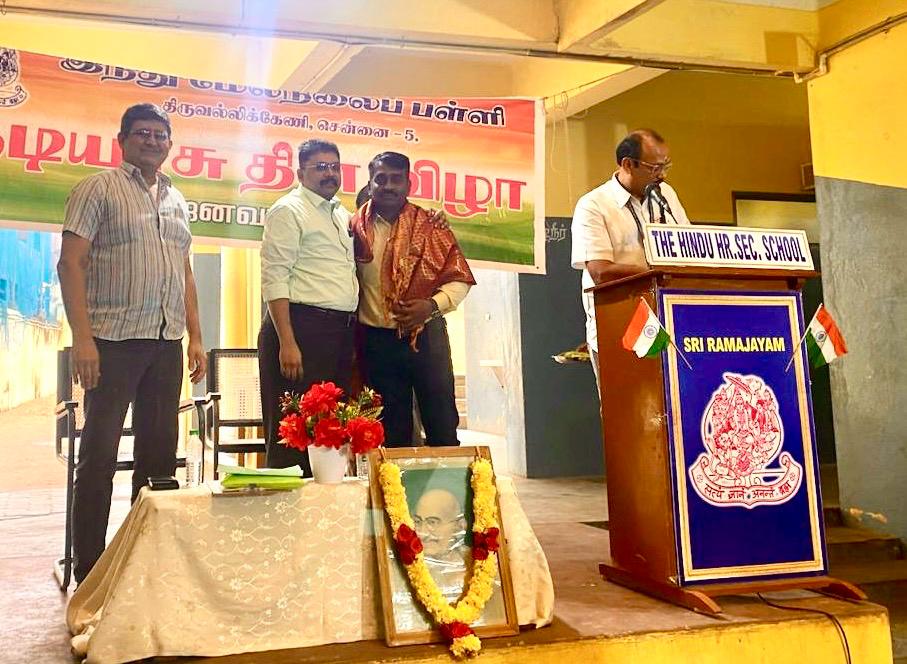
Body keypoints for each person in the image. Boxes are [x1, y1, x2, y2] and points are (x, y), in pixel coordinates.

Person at [57, 102, 206, 583]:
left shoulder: (176, 198)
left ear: (170, 144)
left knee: (159, 457)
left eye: (160, 135)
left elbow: (184, 272)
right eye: (142, 133)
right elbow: (71, 263)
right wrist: (83, 341)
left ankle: (145, 565)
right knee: (98, 457)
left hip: (166, 344)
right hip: (111, 344)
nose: (152, 141)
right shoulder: (97, 189)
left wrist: (196, 337)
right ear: (122, 140)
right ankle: (91, 572)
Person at [351, 151, 476, 447]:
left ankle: (445, 479)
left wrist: (431, 306)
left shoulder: (431, 226)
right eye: (381, 179)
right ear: (370, 184)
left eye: (396, 179)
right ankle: (394, 480)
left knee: (441, 423)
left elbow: (459, 278)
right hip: (376, 341)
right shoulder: (353, 227)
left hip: (426, 336)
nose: (388, 186)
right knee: (389, 431)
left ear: (409, 184)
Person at [258, 139, 358, 474]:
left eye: (335, 167)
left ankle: (324, 503)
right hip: (300, 329)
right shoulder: (289, 210)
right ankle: (286, 506)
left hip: (337, 333)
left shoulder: (341, 214)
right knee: (294, 434)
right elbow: (275, 276)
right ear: (301, 173)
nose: (330, 174)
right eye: (320, 167)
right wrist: (287, 342)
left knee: (329, 433)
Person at [570, 129, 690, 391]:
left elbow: (687, 247)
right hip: (620, 328)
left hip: (670, 322)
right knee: (626, 408)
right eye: (654, 168)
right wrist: (652, 272)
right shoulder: (593, 205)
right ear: (627, 164)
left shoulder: (666, 195)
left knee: (673, 403)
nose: (662, 175)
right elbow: (600, 271)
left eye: (665, 166)